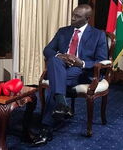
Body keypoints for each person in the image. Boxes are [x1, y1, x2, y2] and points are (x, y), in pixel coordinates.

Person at [32, 4, 108, 146]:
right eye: (73, 14)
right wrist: (60, 55)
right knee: (54, 59)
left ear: (88, 18)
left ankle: (46, 129)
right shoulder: (63, 31)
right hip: (61, 67)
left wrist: (82, 63)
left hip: (82, 71)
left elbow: (102, 60)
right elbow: (47, 49)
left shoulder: (98, 35)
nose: (72, 18)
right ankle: (61, 104)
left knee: (55, 83)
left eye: (77, 16)